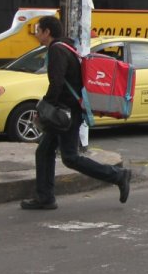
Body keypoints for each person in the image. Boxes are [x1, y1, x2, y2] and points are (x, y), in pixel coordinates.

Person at [21, 16, 132, 211]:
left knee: (70, 158)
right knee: (44, 151)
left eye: (38, 30)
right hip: (67, 111)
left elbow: (56, 83)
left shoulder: (57, 50)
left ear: (47, 32)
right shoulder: (67, 47)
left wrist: (44, 108)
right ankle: (45, 198)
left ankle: (118, 176)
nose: (36, 34)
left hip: (66, 113)